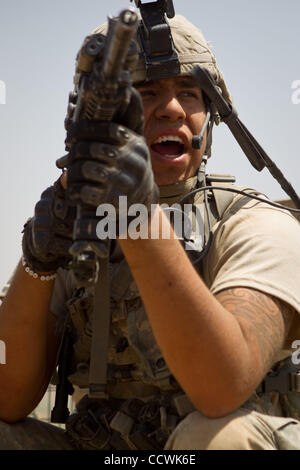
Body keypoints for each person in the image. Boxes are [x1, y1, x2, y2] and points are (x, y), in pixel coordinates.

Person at [0, 12, 300, 451]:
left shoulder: (256, 224)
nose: (172, 108)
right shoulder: (81, 226)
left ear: (211, 114)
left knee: (218, 436)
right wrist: (38, 259)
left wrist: (136, 216)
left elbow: (220, 388)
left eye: (188, 93)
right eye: (145, 92)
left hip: (215, 442)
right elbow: (8, 398)